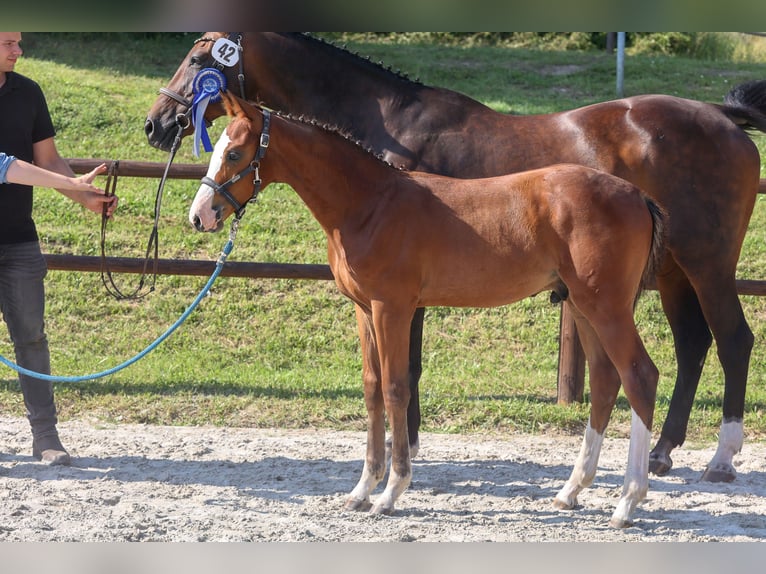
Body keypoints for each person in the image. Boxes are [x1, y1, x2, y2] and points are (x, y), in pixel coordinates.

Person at [0, 32, 118, 466]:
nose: (19, 50)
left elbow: (46, 160)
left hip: (19, 242)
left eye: (19, 42)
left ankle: (45, 437)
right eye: (8, 42)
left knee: (31, 338)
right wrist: (72, 184)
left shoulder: (28, 93)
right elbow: (4, 166)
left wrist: (87, 198)